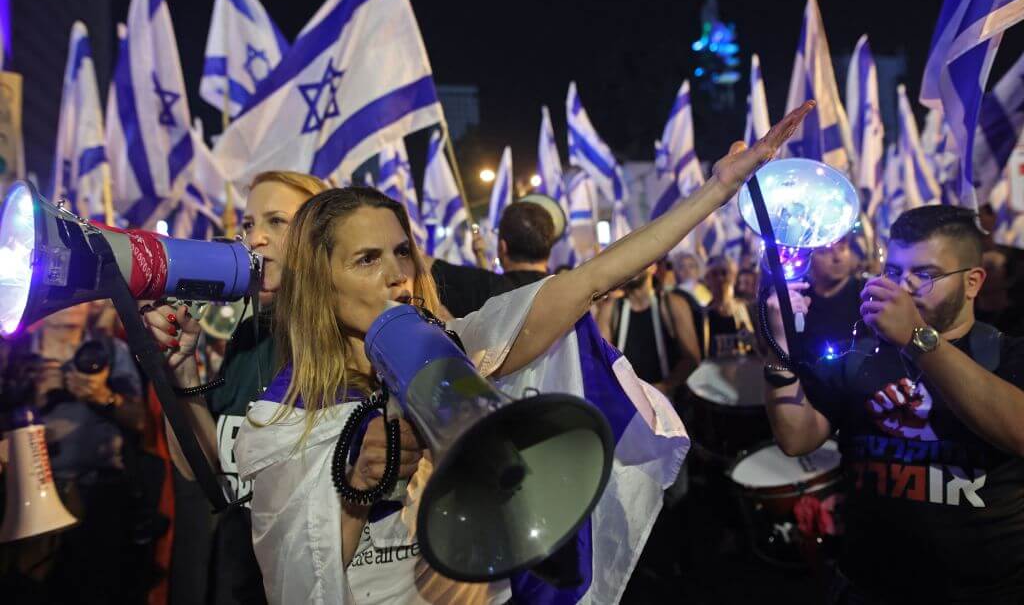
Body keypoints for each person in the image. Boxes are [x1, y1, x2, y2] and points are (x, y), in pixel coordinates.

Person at [230, 102, 814, 603]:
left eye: (402, 252)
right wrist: (358, 485)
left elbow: (588, 281)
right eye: (366, 259)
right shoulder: (286, 415)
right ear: (320, 283)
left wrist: (717, 190)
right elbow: (297, 586)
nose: (396, 275)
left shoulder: (457, 348)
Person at [763, 205, 1024, 603]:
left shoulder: (1007, 354)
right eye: (895, 272)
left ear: (972, 283)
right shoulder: (863, 354)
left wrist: (917, 338)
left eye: (925, 274)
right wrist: (777, 346)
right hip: (869, 588)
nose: (903, 287)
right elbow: (797, 437)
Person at [142, 170, 328, 605]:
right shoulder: (250, 336)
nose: (254, 239)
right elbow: (203, 472)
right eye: (248, 225)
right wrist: (183, 372)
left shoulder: (347, 344)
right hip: (239, 580)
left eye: (276, 222)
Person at [3, 302, 147, 603]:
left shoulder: (110, 350)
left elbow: (140, 420)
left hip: (97, 494)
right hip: (26, 493)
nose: (71, 305)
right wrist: (31, 398)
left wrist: (102, 396)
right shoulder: (14, 352)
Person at [430, 200, 555, 317]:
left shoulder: (484, 289)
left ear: (502, 247)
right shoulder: (565, 292)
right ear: (549, 247)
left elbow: (425, 267)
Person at [596, 264, 701, 397]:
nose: (634, 264)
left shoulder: (673, 304)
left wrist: (664, 387)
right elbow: (599, 359)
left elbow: (692, 358)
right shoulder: (611, 309)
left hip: (665, 403)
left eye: (640, 258)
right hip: (627, 403)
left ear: (653, 267)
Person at [800, 235, 865, 360]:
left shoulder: (864, 292)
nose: (837, 258)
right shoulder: (801, 296)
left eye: (842, 249)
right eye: (825, 252)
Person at [702, 255, 755, 359]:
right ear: (707, 279)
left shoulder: (748, 309)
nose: (720, 278)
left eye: (724, 273)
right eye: (714, 274)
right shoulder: (703, 315)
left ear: (734, 277)